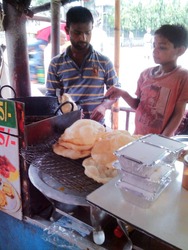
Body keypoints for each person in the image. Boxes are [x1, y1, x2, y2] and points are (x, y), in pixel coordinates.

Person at [105, 24, 188, 137]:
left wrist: (164, 138)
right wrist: (123, 93)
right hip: (138, 136)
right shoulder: (145, 75)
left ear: (180, 51)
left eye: (162, 47)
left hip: (161, 141)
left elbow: (179, 112)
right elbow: (138, 105)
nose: (155, 51)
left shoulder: (183, 77)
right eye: (154, 45)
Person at [45, 6, 119, 123]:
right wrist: (63, 113)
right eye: (77, 33)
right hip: (68, 128)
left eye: (87, 33)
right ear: (67, 30)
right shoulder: (56, 64)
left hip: (96, 126)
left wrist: (104, 106)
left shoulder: (104, 62)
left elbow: (116, 91)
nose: (83, 38)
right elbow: (51, 97)